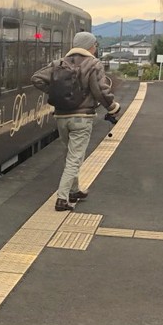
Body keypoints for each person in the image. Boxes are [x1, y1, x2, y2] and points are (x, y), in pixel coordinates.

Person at [31, 31, 121, 211]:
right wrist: (113, 108)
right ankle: (62, 199)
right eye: (94, 45)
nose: (95, 48)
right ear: (89, 46)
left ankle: (74, 190)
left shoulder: (59, 63)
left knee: (70, 154)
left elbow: (36, 78)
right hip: (82, 118)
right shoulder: (93, 64)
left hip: (61, 117)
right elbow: (101, 91)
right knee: (75, 158)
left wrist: (56, 91)